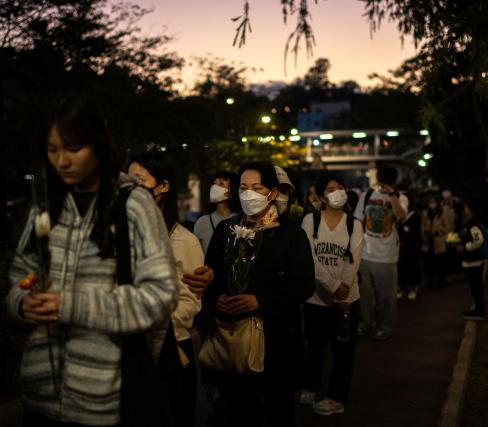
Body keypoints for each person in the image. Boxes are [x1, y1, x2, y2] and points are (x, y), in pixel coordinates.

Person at [5, 95, 179, 426]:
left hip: (107, 401)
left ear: (98, 145)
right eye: (52, 149)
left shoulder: (133, 203)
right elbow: (18, 278)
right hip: (39, 399)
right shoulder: (46, 204)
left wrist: (69, 305)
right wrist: (22, 304)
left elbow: (161, 295)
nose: (62, 161)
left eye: (73, 148)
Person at [196, 161, 315, 427]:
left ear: (273, 193)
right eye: (243, 187)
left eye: (257, 187)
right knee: (236, 409)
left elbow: (304, 284)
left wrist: (259, 301)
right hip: (232, 339)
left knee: (277, 409)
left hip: (275, 342)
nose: (249, 193)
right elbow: (212, 274)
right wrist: (217, 299)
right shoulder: (225, 230)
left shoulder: (290, 234)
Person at [127, 152, 205, 427]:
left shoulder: (185, 240)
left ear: (163, 186)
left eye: (139, 180)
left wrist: (152, 321)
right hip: (131, 349)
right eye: (128, 181)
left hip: (173, 347)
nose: (132, 188)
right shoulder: (120, 233)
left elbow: (191, 300)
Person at [299, 175, 364, 416]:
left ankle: (337, 397)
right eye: (331, 189)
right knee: (314, 347)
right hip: (316, 299)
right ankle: (311, 386)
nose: (337, 193)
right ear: (322, 195)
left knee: (343, 351)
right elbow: (309, 259)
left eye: (340, 188)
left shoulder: (354, 224)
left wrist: (342, 292)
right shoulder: (310, 220)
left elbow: (353, 260)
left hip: (347, 301)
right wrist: (333, 286)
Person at [354, 165, 408, 340]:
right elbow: (357, 221)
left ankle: (385, 328)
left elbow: (401, 216)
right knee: (365, 297)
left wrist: (392, 195)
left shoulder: (400, 198)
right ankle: (366, 325)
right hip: (365, 255)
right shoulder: (367, 196)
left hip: (387, 257)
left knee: (386, 298)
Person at [457, 200, 488, 320]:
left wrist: (466, 246)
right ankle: (477, 308)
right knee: (476, 287)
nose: (464, 209)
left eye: (466, 207)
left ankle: (479, 311)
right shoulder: (473, 222)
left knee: (476, 286)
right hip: (473, 261)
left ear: (469, 209)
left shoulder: (473, 224)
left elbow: (478, 240)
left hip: (474, 261)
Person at [193, 171, 239, 253]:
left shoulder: (240, 221)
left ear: (231, 192)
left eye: (221, 184)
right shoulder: (202, 222)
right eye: (214, 183)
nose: (214, 187)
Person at [397, 193, 422, 300]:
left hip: (412, 247)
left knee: (413, 266)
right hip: (400, 248)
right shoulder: (398, 216)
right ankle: (402, 288)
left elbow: (416, 233)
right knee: (402, 268)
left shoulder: (415, 215)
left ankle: (413, 288)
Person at [421, 194, 450, 288]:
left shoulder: (441, 213)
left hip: (439, 240)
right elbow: (422, 226)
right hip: (429, 241)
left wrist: (439, 231)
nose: (432, 204)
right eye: (430, 202)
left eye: (433, 202)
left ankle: (441, 280)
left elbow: (447, 227)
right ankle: (431, 281)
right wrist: (425, 233)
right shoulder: (425, 213)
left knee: (440, 262)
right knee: (430, 262)